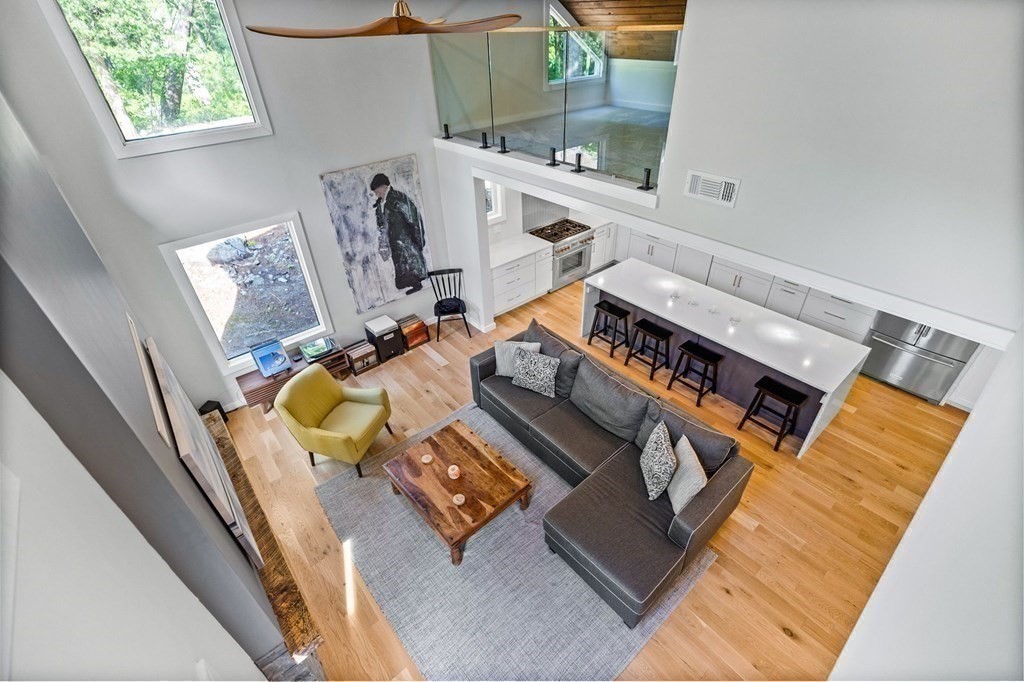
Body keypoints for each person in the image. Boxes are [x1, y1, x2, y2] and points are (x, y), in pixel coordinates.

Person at [371, 173, 427, 294]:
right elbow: (382, 222)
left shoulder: (398, 198)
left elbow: (414, 219)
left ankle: (416, 283)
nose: (376, 194)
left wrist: (418, 239)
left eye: (376, 190)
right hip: (394, 241)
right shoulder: (381, 203)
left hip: (405, 239)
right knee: (401, 266)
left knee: (410, 263)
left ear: (382, 187)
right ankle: (408, 283)